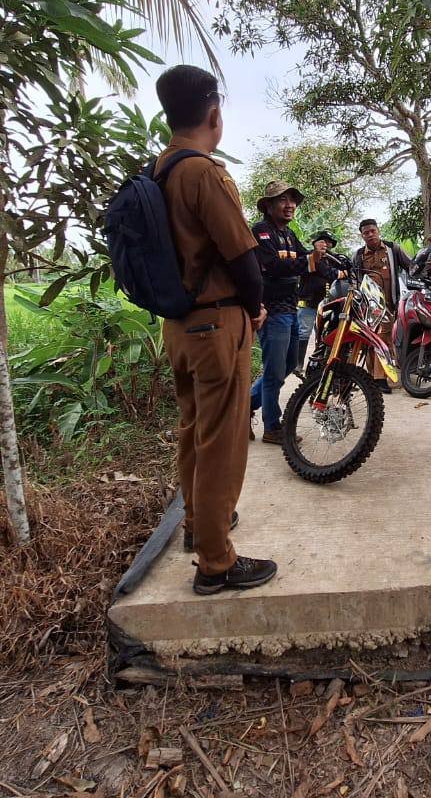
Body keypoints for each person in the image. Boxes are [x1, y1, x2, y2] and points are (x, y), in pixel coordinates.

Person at [153, 65, 276, 595]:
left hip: (178, 326)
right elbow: (244, 257)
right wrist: (255, 308)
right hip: (215, 324)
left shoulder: (158, 170)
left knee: (194, 433)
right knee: (224, 441)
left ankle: (195, 527)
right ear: (213, 114)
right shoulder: (204, 172)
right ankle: (217, 561)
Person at [249, 182, 332, 443]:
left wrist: (323, 257)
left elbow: (305, 258)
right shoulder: (261, 232)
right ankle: (272, 427)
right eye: (283, 200)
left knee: (287, 365)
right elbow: (273, 265)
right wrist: (309, 260)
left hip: (290, 307)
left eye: (293, 200)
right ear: (269, 205)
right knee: (274, 371)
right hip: (272, 311)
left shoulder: (289, 234)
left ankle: (244, 406)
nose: (290, 205)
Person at [351, 218, 412, 392]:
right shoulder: (358, 255)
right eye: (366, 233)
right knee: (369, 341)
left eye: (373, 231)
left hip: (387, 306)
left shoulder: (393, 249)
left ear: (378, 231)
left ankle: (379, 379)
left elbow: (411, 266)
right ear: (362, 236)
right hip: (367, 307)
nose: (370, 235)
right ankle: (372, 377)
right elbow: (354, 279)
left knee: (383, 339)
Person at [296, 229, 342, 371]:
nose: (325, 244)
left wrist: (341, 273)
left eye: (328, 242)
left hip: (329, 304)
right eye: (322, 241)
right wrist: (338, 273)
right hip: (309, 303)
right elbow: (328, 272)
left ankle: (320, 364)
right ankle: (298, 364)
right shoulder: (308, 257)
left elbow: (342, 273)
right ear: (315, 243)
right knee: (304, 332)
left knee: (326, 335)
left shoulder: (336, 259)